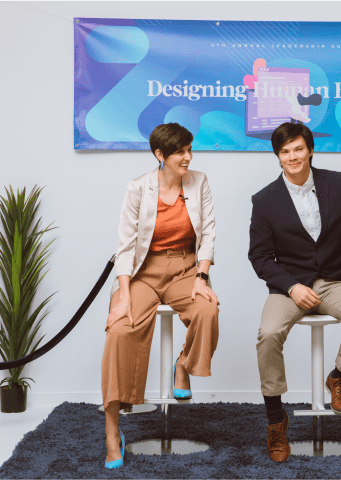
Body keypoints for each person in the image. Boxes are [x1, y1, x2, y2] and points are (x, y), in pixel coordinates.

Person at [249, 122, 341, 462]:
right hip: (288, 285)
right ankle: (275, 420)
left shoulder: (338, 183)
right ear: (278, 156)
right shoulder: (264, 200)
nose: (292, 156)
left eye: (298, 149)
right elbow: (260, 256)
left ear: (310, 150)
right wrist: (291, 286)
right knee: (268, 334)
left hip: (332, 281)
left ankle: (338, 376)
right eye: (285, 151)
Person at [101, 123, 219, 468]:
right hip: (144, 272)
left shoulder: (199, 181)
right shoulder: (138, 187)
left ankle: (183, 364)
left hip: (185, 269)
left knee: (208, 310)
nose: (188, 157)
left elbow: (208, 233)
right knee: (120, 331)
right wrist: (124, 295)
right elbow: (125, 246)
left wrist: (201, 277)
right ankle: (112, 430)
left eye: (189, 149)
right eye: (180, 152)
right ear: (160, 155)